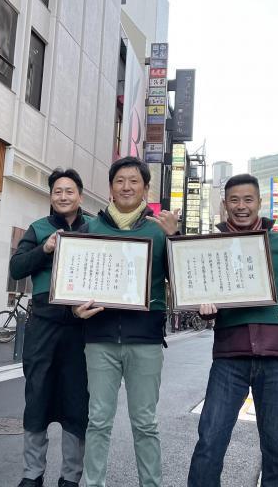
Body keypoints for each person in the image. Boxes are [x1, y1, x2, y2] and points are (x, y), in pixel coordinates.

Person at [187, 174, 278, 487]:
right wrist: (203, 308)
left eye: (248, 199)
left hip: (277, 358)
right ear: (224, 205)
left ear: (260, 203)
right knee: (209, 441)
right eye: (234, 200)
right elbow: (202, 292)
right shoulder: (211, 245)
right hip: (229, 357)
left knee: (277, 447)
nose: (241, 206)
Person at [74, 156, 178, 487]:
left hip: (145, 339)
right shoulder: (91, 228)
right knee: (98, 421)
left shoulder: (159, 231)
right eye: (120, 180)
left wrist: (176, 239)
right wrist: (75, 309)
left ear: (146, 189)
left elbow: (182, 281)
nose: (126, 186)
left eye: (134, 181)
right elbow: (76, 278)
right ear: (110, 187)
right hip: (100, 338)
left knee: (146, 423)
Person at [10, 168, 90, 487]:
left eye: (69, 191)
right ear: (51, 196)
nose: (63, 196)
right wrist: (44, 250)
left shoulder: (93, 228)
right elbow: (16, 266)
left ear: (80, 196)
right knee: (37, 394)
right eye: (57, 191)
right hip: (43, 322)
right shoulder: (39, 228)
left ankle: (70, 477)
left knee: (76, 400)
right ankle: (32, 474)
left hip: (81, 326)